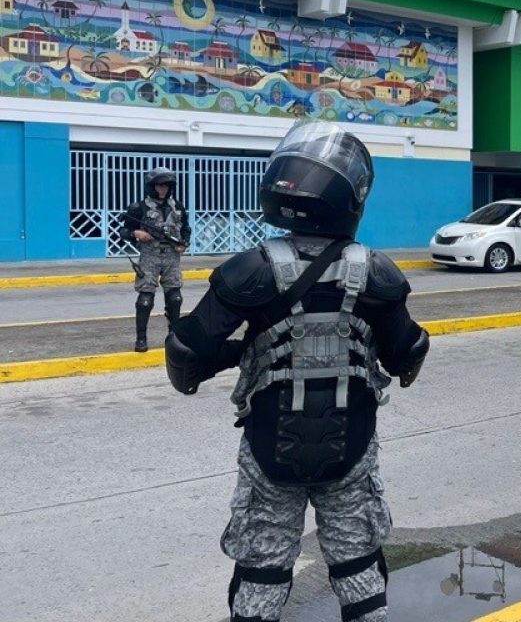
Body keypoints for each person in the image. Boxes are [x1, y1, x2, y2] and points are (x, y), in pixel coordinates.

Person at [165, 121, 429, 622]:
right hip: (350, 448)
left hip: (270, 448)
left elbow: (186, 349)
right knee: (359, 566)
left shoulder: (252, 270)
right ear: (349, 197)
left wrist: (241, 353)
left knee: (262, 570)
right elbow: (407, 352)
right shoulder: (377, 272)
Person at [122, 166, 190, 352]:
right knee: (145, 299)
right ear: (152, 186)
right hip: (150, 256)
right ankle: (141, 339)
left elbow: (186, 229)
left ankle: (174, 337)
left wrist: (184, 244)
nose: (163, 189)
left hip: (171, 256)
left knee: (175, 297)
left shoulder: (178, 206)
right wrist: (136, 233)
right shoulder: (138, 208)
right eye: (159, 185)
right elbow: (123, 231)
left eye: (166, 186)